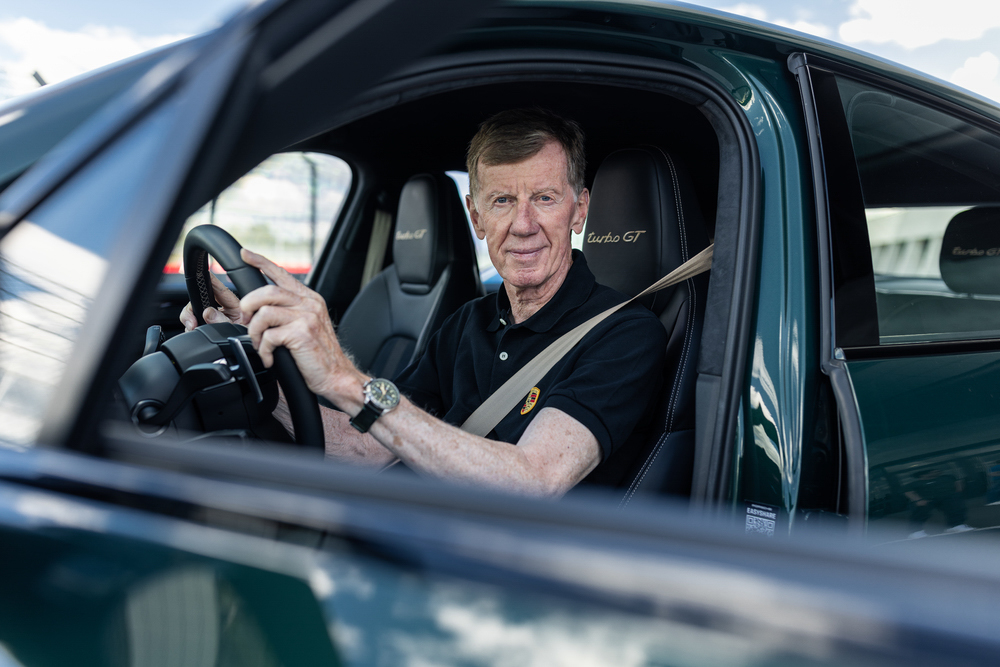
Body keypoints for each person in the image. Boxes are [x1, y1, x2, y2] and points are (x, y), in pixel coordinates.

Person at [181, 108, 666, 498]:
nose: (522, 225)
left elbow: (533, 482)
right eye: (501, 201)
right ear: (476, 217)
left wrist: (343, 379)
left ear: (579, 210)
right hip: (412, 537)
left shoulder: (624, 334)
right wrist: (255, 367)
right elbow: (370, 447)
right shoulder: (466, 323)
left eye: (544, 198)